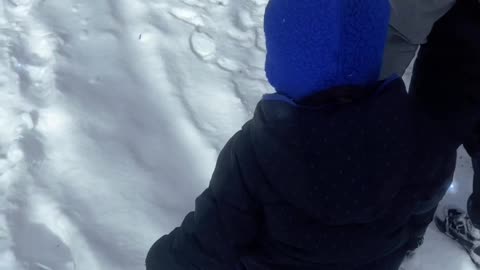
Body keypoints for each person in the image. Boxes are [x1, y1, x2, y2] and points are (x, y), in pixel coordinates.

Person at [145, 1, 477, 269]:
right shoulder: (423, 134)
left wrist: (163, 259)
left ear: (282, 63)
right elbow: (424, 202)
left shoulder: (256, 155)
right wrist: (409, 239)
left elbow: (206, 246)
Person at [382, 0, 480, 264]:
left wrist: (364, 95)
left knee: (430, 147)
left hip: (460, 55)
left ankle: (408, 234)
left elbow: (404, 25)